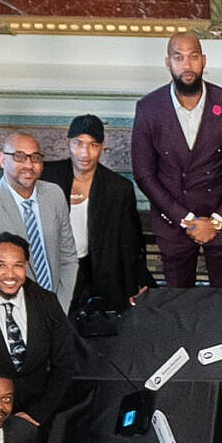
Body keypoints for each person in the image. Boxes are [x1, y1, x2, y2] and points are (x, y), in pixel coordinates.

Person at [130, 32, 222, 288]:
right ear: (168, 63)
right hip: (173, 223)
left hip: (221, 221)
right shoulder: (149, 108)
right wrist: (187, 220)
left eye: (193, 57)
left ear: (204, 60)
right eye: (179, 58)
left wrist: (217, 220)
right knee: (179, 304)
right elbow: (144, 174)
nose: (187, 66)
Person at [0, 132, 76, 310]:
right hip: (13, 314)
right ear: (2, 160)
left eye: (35, 157)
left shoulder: (55, 194)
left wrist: (59, 306)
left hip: (57, 307)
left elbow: (68, 256)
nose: (29, 165)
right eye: (19, 157)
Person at [58, 114, 152, 315]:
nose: (84, 152)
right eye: (78, 143)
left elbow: (129, 241)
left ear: (101, 147)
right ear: (69, 144)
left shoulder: (118, 188)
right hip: (55, 268)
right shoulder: (49, 177)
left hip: (98, 271)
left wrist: (138, 279)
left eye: (92, 145)